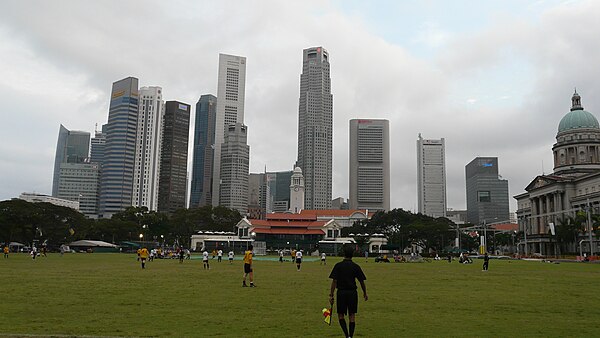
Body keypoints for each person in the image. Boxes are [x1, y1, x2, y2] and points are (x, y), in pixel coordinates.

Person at [329, 245, 367, 338]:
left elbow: (334, 281)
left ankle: (347, 335)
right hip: (352, 293)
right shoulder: (356, 266)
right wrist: (365, 293)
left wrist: (331, 294)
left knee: (341, 315)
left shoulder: (338, 266)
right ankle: (351, 335)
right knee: (352, 314)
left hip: (341, 292)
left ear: (344, 254)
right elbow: (361, 281)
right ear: (352, 255)